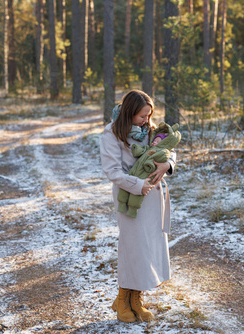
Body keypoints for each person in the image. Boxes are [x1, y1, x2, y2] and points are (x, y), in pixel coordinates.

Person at [100, 90, 176, 323]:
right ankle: (123, 298)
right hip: (129, 196)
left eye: (148, 115)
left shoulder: (150, 131)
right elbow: (112, 170)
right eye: (142, 116)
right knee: (133, 247)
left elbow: (169, 149)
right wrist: (138, 184)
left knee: (147, 248)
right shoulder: (111, 134)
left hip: (154, 198)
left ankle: (136, 300)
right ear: (129, 113)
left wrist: (168, 165)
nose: (146, 120)